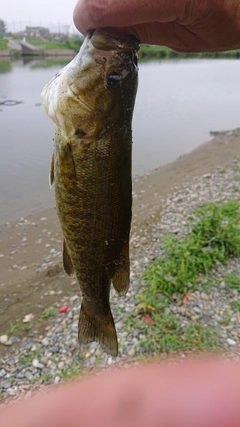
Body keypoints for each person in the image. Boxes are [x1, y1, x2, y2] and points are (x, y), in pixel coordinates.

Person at [1, 1, 240, 425]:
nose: (114, 62)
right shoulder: (79, 132)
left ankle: (95, 309)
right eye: (115, 75)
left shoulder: (79, 134)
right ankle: (97, 306)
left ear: (88, 126)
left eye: (113, 76)